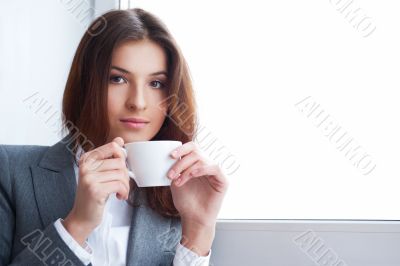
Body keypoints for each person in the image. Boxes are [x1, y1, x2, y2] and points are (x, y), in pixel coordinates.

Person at [0, 8, 229, 266]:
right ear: (87, 84)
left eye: (156, 84)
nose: (138, 103)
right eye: (118, 79)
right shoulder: (10, 170)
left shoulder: (182, 194)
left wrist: (198, 231)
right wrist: (77, 226)